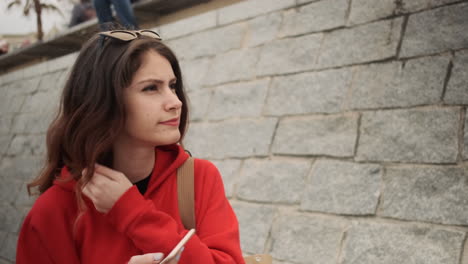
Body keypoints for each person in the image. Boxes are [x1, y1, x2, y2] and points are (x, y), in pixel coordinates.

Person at [16, 29, 245, 264]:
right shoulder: (54, 211)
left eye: (172, 86)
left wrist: (132, 212)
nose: (176, 102)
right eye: (151, 88)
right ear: (103, 102)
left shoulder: (199, 178)